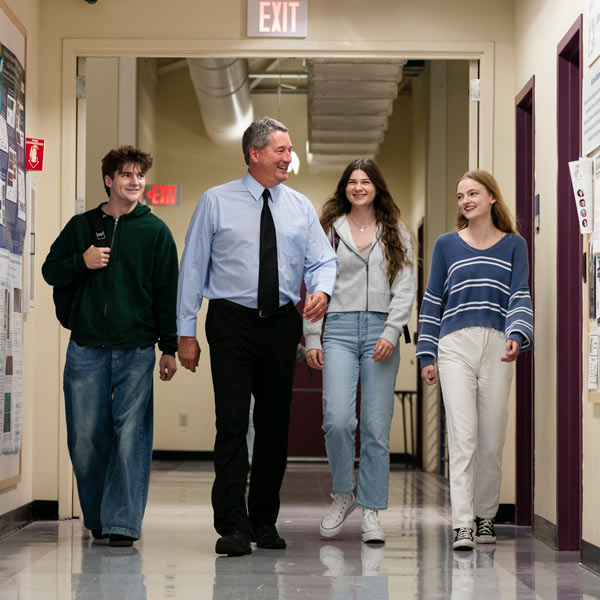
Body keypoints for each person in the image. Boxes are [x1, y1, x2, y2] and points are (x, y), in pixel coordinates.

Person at [177, 116, 337, 557]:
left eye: (289, 150)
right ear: (255, 154)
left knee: (273, 424)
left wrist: (321, 289)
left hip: (281, 323)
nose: (289, 158)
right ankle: (232, 524)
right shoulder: (215, 201)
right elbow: (192, 269)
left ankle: (264, 519)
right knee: (232, 422)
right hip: (230, 321)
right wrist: (184, 333)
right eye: (281, 150)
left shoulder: (300, 207)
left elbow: (323, 260)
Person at [42, 146, 179, 547]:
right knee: (85, 439)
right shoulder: (81, 226)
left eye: (139, 175)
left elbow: (166, 295)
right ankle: (98, 516)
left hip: (136, 349)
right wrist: (81, 261)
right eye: (126, 175)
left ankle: (122, 524)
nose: (134, 182)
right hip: (85, 349)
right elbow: (51, 270)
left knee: (131, 436)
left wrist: (168, 347)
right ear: (109, 180)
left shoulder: (156, 233)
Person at [416, 170, 533, 551]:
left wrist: (517, 335)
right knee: (463, 438)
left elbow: (519, 295)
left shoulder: (514, 245)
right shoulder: (446, 245)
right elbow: (433, 299)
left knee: (491, 439)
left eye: (473, 193)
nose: (465, 200)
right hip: (454, 346)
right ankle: (463, 524)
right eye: (460, 195)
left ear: (492, 198)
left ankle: (485, 517)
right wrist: (426, 353)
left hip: (498, 345)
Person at [304, 159, 416, 543]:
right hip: (337, 328)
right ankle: (343, 494)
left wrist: (392, 329)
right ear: (344, 188)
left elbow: (405, 285)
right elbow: (315, 284)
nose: (358, 187)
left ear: (377, 187)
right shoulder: (328, 231)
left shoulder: (395, 231)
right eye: (352, 181)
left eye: (365, 181)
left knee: (375, 428)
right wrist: (312, 337)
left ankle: (371, 510)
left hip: (380, 332)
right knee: (337, 419)